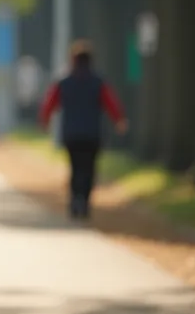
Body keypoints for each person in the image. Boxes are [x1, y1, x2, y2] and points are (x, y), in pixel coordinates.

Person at [38, 40, 128, 220]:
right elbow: (111, 103)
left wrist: (45, 121)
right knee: (89, 168)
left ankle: (75, 200)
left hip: (71, 133)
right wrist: (119, 121)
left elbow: (50, 103)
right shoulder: (98, 82)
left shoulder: (64, 81)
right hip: (92, 134)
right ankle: (85, 202)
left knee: (75, 167)